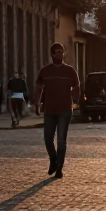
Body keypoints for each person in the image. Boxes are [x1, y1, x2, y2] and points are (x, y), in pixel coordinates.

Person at [35, 42, 80, 179]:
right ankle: (53, 160)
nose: (61, 55)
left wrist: (76, 103)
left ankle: (59, 168)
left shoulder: (70, 71)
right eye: (58, 52)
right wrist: (36, 103)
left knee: (61, 140)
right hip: (49, 110)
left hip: (65, 110)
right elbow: (38, 87)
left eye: (62, 52)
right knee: (48, 139)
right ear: (52, 54)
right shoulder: (45, 71)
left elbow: (77, 86)